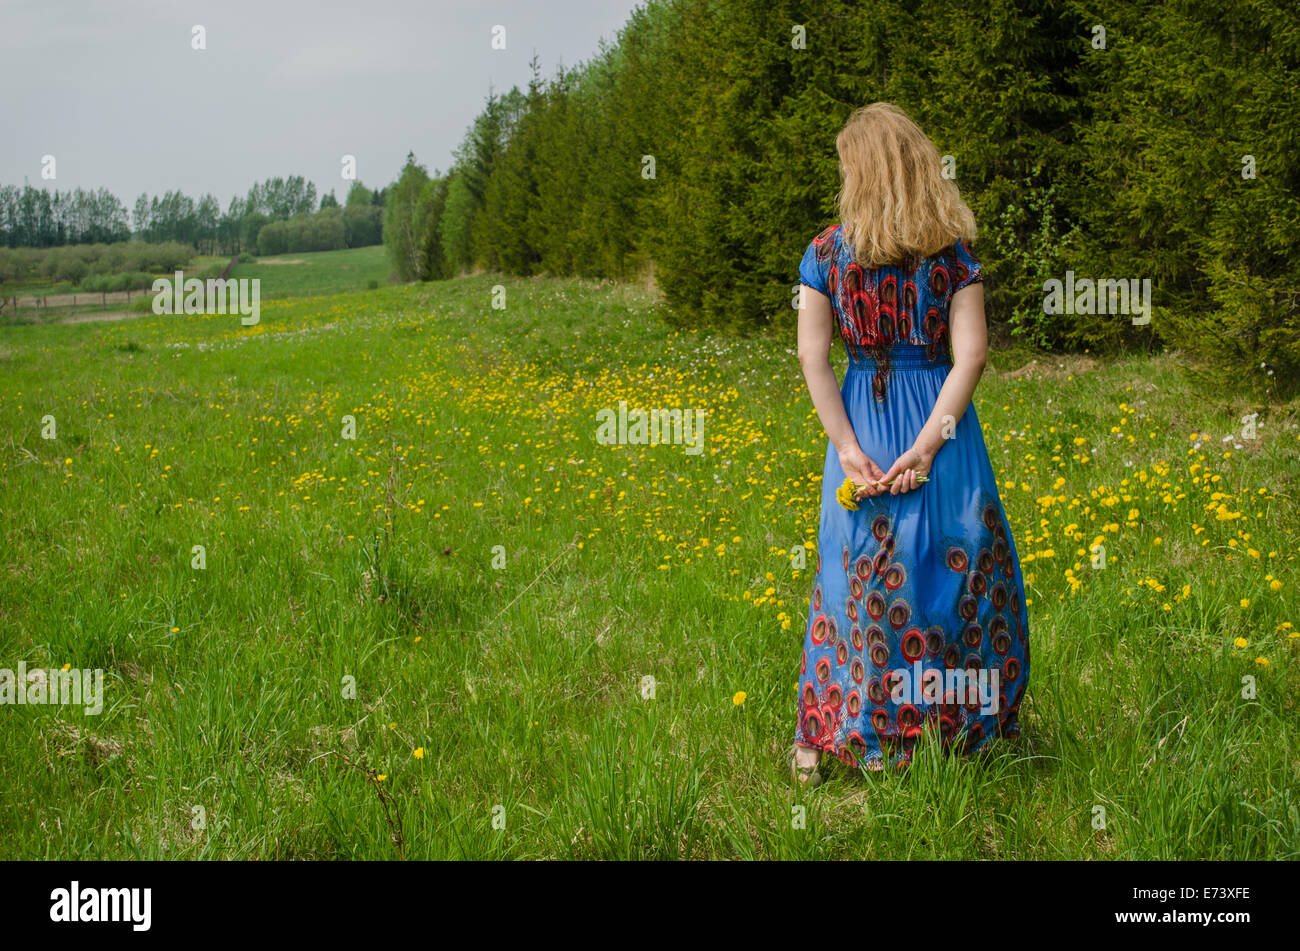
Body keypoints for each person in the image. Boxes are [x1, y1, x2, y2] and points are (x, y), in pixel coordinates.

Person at [792, 102, 1030, 785]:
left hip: (863, 418)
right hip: (942, 423)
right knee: (956, 569)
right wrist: (928, 447)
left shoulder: (825, 254)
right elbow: (973, 356)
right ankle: (962, 731)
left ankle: (833, 734)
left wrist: (844, 444)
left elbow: (812, 356)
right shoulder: (954, 256)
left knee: (853, 575)